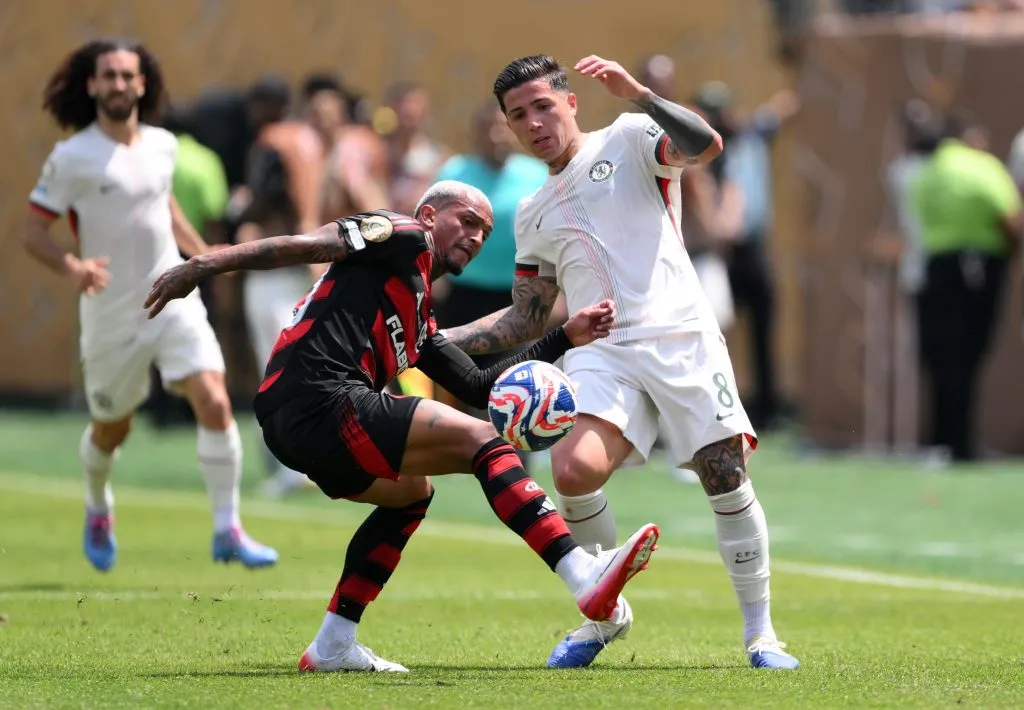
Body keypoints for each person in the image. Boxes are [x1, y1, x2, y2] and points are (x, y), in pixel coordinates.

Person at [143, 180, 661, 673]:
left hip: (298, 420)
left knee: (411, 494)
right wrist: (204, 264)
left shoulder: (419, 318)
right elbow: (308, 244)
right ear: (430, 217)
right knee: (482, 439)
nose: (477, 237)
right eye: (467, 221)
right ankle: (581, 574)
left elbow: (479, 386)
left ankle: (333, 643)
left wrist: (564, 337)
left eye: (485, 231)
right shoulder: (400, 233)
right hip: (316, 395)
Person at [442, 55, 800, 670]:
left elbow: (706, 144)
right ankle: (605, 617)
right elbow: (526, 319)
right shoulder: (531, 212)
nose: (533, 123)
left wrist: (640, 95)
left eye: (543, 106)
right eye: (518, 114)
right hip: (601, 351)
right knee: (573, 471)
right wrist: (435, 337)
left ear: (571, 102)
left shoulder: (631, 137)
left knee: (723, 476)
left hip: (679, 335)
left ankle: (762, 636)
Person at [21, 39, 278, 572]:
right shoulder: (72, 157)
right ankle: (97, 505)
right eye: (108, 76)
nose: (118, 84)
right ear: (91, 85)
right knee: (113, 429)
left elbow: (162, 206)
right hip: (111, 313)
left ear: (143, 84)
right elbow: (32, 232)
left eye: (127, 76)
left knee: (214, 398)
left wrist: (204, 256)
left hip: (172, 299)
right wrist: (73, 268)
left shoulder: (163, 145)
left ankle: (228, 527)